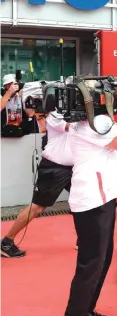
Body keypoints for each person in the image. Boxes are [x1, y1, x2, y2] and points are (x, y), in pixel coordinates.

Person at [59, 93, 117, 316]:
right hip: (94, 202)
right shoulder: (99, 123)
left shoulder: (90, 121)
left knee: (102, 260)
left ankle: (85, 312)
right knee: (90, 265)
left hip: (98, 198)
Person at [1, 109, 73, 258]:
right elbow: (73, 128)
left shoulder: (75, 114)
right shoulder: (55, 115)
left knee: (82, 204)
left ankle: (85, 240)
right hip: (54, 168)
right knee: (37, 207)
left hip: (72, 168)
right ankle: (6, 242)